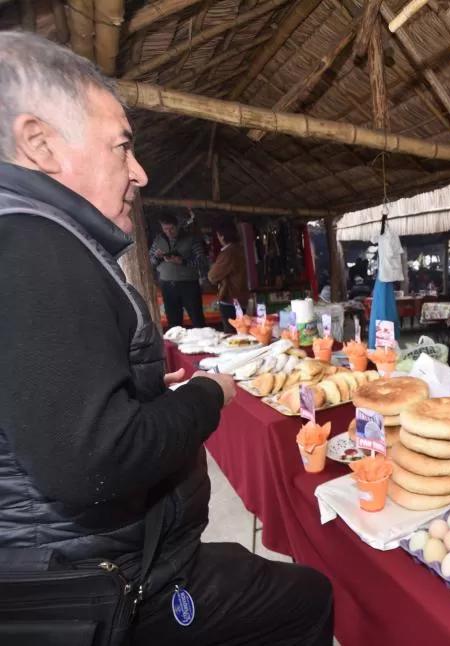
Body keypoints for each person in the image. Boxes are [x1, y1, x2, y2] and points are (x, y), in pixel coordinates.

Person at [0, 33, 334, 645]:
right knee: (305, 599)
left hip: (115, 559)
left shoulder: (37, 240)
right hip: (108, 582)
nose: (139, 172)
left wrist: (144, 393)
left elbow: (56, 407)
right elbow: (92, 461)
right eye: (122, 147)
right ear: (40, 143)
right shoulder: (34, 248)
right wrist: (209, 393)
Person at [150, 212, 208, 329]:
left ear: (178, 226)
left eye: (172, 229)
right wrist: (156, 257)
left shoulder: (191, 239)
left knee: (197, 320)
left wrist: (183, 261)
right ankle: (176, 347)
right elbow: (150, 262)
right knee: (173, 323)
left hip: (189, 285)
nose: (169, 232)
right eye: (165, 229)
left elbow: (202, 263)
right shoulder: (158, 240)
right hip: (167, 285)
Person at [207, 221, 250, 333]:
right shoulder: (239, 249)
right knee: (241, 331)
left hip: (231, 298)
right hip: (240, 297)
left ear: (222, 236)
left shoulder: (228, 253)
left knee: (232, 334)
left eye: (218, 235)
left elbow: (212, 276)